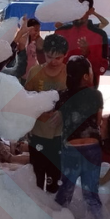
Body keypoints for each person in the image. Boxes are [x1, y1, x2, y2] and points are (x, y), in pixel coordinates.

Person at [54, 56, 104, 219]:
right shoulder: (96, 95)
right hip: (92, 147)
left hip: (71, 147)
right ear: (86, 76)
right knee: (91, 193)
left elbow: (56, 118)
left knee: (65, 190)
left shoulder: (62, 95)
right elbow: (98, 121)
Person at [24, 34, 68, 193]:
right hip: (38, 132)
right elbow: (26, 100)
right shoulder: (35, 72)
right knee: (37, 174)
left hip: (59, 134)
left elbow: (77, 101)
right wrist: (37, 115)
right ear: (44, 54)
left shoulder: (69, 73)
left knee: (55, 176)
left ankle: (52, 205)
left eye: (58, 58)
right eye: (50, 57)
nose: (53, 61)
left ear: (65, 55)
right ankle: (38, 204)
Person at [54, 5, 109, 88]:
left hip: (88, 88)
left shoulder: (98, 33)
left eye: (81, 11)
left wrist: (87, 54)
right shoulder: (61, 31)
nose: (78, 15)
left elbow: (102, 68)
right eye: (75, 12)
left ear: (88, 12)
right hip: (62, 86)